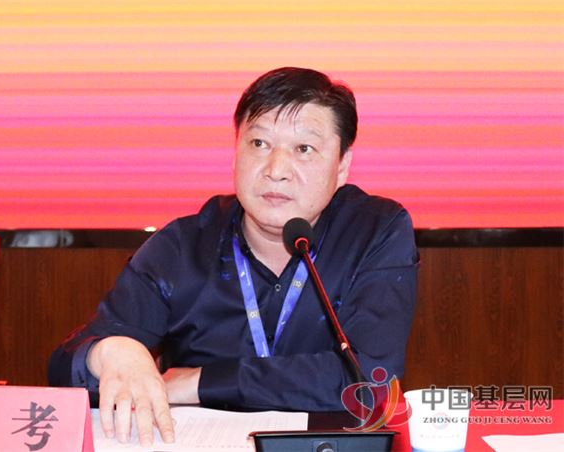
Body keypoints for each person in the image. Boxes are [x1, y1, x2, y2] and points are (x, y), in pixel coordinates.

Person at [48, 67, 419, 446]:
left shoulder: (374, 231)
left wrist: (200, 382)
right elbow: (65, 371)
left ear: (341, 166)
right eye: (259, 143)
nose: (276, 170)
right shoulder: (183, 246)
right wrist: (108, 352)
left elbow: (369, 380)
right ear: (236, 151)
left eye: (303, 149)